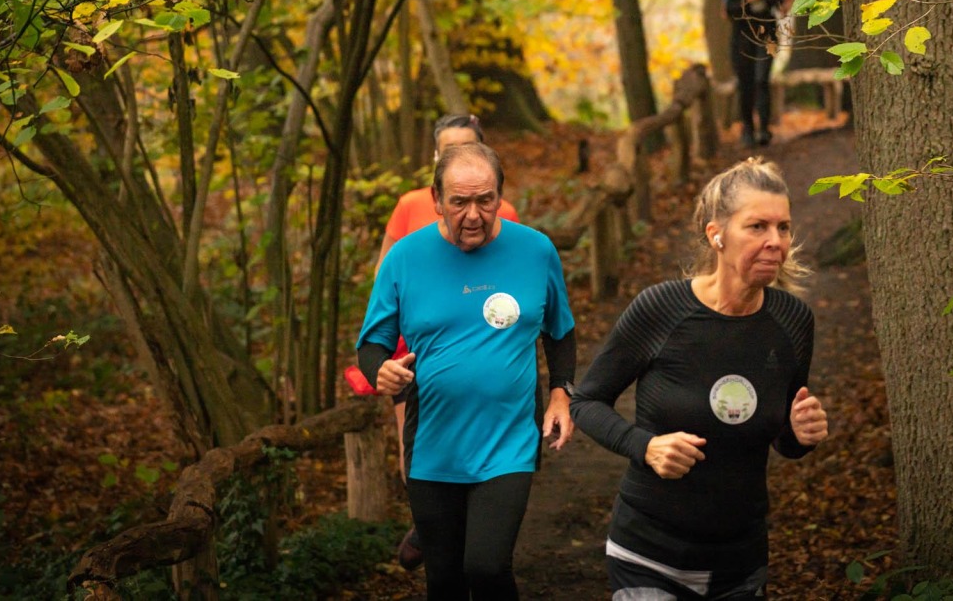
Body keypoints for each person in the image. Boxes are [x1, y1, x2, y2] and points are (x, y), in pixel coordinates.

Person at [570, 157, 828, 600]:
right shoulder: (661, 309)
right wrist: (645, 446)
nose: (775, 241)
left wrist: (801, 434)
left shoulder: (792, 321)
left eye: (783, 228)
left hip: (740, 563)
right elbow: (586, 401)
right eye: (757, 227)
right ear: (716, 235)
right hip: (648, 554)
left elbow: (782, 438)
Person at [356, 142, 577, 601]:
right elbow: (372, 344)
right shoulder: (404, 258)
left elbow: (560, 332)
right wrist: (382, 371)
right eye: (459, 202)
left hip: (508, 440)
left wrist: (561, 392)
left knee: (487, 566)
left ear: (500, 196)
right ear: (436, 199)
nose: (473, 215)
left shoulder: (536, 251)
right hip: (432, 442)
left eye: (485, 200)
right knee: (444, 579)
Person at [350, 113, 523, 570]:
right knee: (415, 442)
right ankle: (429, 523)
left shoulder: (502, 211)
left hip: (479, 341)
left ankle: (475, 521)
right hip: (415, 345)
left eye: (466, 147)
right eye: (448, 150)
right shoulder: (410, 205)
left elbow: (513, 277)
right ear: (434, 158)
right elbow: (384, 270)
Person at [725, 0, 795, 148]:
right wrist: (747, 1)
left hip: (767, 37)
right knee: (745, 83)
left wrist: (787, 3)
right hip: (742, 38)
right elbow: (728, 10)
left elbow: (782, 1)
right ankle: (748, 129)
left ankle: (764, 129)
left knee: (761, 80)